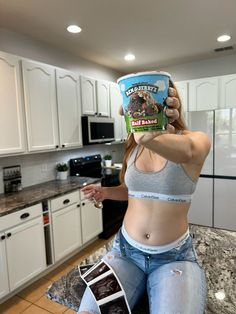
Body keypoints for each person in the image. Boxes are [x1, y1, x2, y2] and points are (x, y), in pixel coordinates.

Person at [78, 80, 211, 314]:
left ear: (167, 100)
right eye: (136, 100)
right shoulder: (134, 146)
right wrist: (107, 192)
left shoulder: (196, 139)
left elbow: (189, 150)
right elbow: (133, 192)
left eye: (148, 97)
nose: (142, 103)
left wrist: (149, 136)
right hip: (125, 252)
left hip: (174, 257)